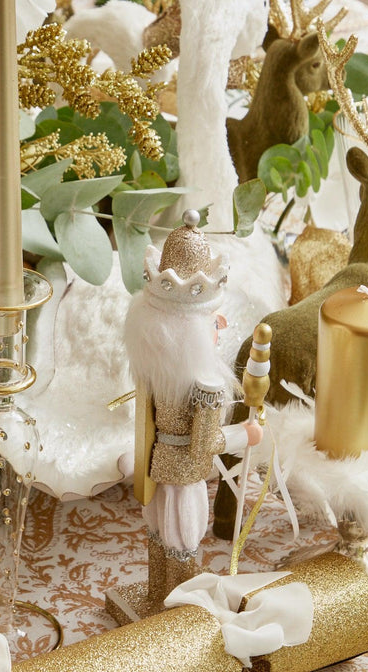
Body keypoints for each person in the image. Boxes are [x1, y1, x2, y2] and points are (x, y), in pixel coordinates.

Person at [124, 210, 262, 617]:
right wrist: (245, 435)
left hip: (157, 465)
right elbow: (205, 443)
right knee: (182, 541)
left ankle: (158, 597)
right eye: (214, 324)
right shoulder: (207, 388)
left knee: (158, 533)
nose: (220, 329)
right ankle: (178, 612)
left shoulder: (151, 368)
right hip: (185, 472)